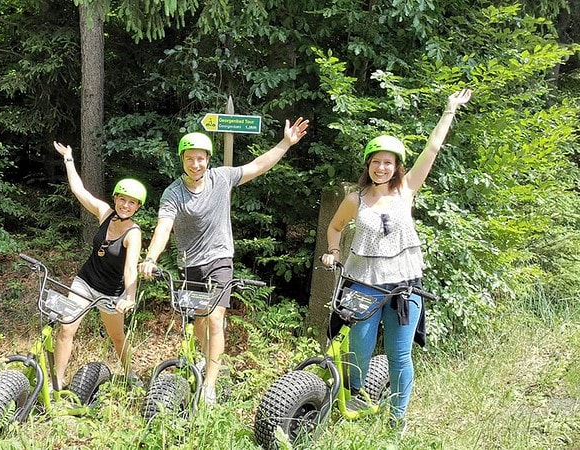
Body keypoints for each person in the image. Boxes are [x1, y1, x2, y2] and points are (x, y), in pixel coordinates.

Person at [320, 89, 472, 429]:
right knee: (358, 347)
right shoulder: (354, 199)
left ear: (397, 167)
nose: (381, 167)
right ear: (368, 165)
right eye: (376, 162)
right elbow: (335, 227)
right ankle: (354, 395)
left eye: (388, 162)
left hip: (405, 287)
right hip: (363, 284)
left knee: (399, 354)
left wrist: (449, 110)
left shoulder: (406, 191)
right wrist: (333, 251)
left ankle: (397, 419)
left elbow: (432, 150)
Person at [139, 118, 309, 405]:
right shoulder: (173, 193)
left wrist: (285, 143)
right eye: (190, 158)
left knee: (215, 318)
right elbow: (163, 228)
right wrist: (150, 258)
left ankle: (210, 386)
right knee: (200, 322)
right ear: (182, 160)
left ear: (208, 160)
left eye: (201, 159)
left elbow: (257, 166)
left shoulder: (221, 178)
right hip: (189, 263)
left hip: (219, 258)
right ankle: (208, 361)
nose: (196, 164)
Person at [52, 141, 146, 388]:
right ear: (115, 198)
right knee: (66, 328)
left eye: (132, 202)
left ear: (137, 207)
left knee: (117, 337)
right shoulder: (105, 213)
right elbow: (79, 191)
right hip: (85, 281)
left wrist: (130, 296)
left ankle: (130, 374)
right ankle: (57, 382)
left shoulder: (134, 233)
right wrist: (69, 159)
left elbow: (130, 268)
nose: (125, 205)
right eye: (122, 199)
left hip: (111, 292)